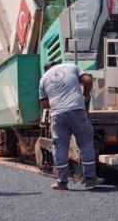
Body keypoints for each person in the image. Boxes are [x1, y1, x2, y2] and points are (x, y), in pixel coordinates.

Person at [38, 61, 101, 190]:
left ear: (46, 70)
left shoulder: (43, 79)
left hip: (58, 115)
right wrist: (85, 95)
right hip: (77, 110)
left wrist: (58, 104)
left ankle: (61, 182)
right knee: (85, 144)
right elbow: (88, 80)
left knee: (60, 146)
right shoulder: (71, 66)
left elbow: (44, 104)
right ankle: (90, 178)